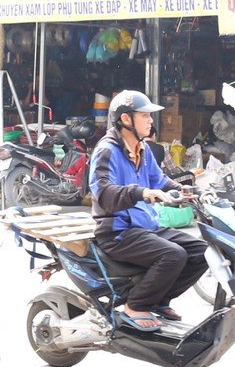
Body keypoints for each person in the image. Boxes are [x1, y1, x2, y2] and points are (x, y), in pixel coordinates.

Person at [87, 90, 208, 331]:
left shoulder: (144, 149)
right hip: (117, 231)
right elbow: (103, 192)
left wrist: (184, 191)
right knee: (173, 255)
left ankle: (159, 300)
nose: (151, 121)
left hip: (146, 227)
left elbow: (159, 180)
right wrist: (140, 193)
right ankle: (136, 305)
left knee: (202, 251)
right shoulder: (107, 151)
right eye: (145, 115)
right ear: (126, 119)